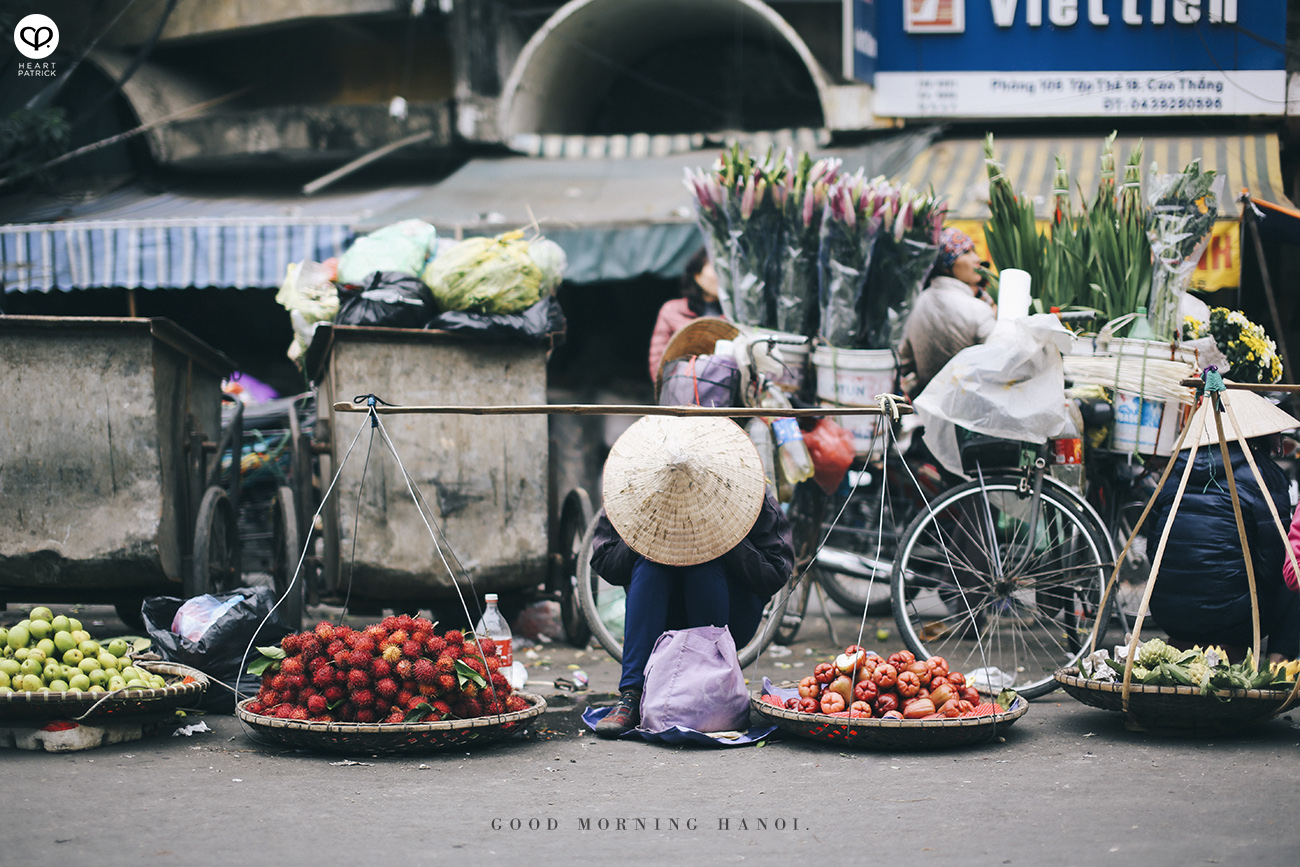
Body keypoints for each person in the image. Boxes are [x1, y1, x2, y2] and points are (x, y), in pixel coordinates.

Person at [588, 415, 794, 738]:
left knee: (704, 563)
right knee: (651, 564)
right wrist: (644, 533)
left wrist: (724, 537)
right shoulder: (636, 493)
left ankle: (711, 688)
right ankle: (632, 694)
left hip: (728, 616)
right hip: (660, 622)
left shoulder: (749, 493)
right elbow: (604, 562)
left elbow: (776, 573)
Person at [1145, 388, 1300, 663]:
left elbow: (1153, 545)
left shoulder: (1178, 468)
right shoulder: (1264, 475)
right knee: (1293, 577)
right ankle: (1277, 664)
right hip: (1233, 621)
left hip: (1167, 613)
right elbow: (1275, 563)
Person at [896, 227, 997, 398]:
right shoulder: (978, 309)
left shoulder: (917, 303)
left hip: (928, 405)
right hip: (970, 407)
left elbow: (904, 360)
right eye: (966, 252)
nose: (977, 259)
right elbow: (997, 364)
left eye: (974, 251)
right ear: (946, 265)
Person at [647, 247, 724, 380]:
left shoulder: (733, 317)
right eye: (714, 267)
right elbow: (657, 360)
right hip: (683, 390)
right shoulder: (672, 310)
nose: (720, 274)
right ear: (697, 274)